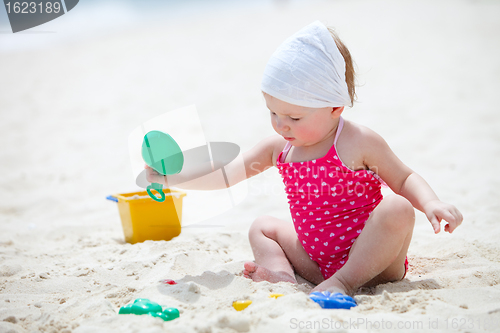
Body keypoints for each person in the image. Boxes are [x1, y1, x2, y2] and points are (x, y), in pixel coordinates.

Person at [146, 21, 463, 298]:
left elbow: (404, 178)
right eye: (273, 112)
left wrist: (431, 203)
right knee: (263, 226)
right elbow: (227, 174)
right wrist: (172, 177)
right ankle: (280, 275)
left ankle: (343, 281)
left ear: (335, 107)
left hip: (374, 261)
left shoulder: (358, 142)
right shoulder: (279, 149)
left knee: (398, 208)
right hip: (315, 263)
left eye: (294, 117)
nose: (281, 125)